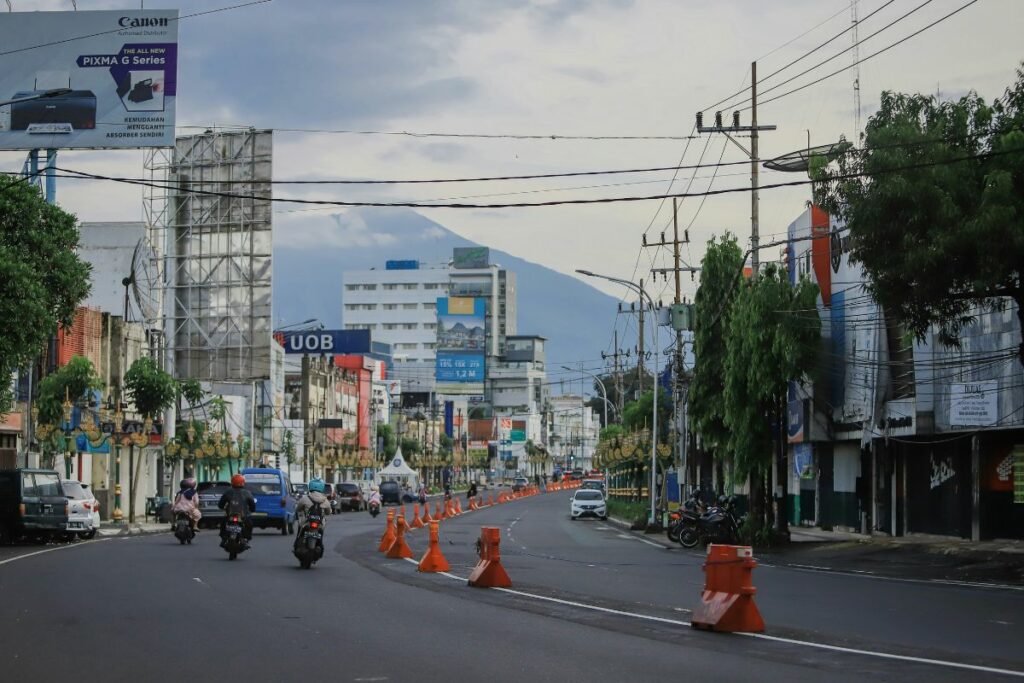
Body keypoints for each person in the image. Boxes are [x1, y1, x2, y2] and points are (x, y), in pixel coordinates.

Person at [218, 473, 256, 547]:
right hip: (243, 515)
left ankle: (223, 539)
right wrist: (252, 510)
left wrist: (223, 507)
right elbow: (252, 505)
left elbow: (221, 504)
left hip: (230, 515)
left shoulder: (228, 492)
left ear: (232, 482)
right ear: (243, 482)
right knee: (249, 524)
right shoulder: (247, 493)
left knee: (223, 523)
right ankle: (246, 539)